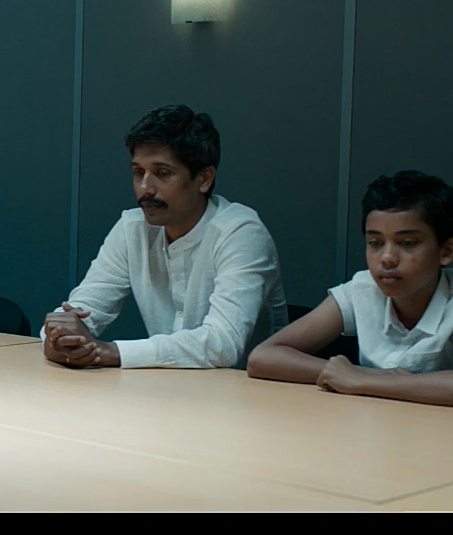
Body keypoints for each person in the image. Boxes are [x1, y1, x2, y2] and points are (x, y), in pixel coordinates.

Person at [42, 104, 288, 370]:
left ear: (204, 179)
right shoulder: (132, 227)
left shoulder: (241, 232)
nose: (145, 188)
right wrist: (60, 337)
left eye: (162, 173)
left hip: (247, 390)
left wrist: (110, 352)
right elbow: (81, 309)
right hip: (165, 385)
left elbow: (222, 343)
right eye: (138, 172)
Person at [246, 170, 453, 409]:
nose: (387, 258)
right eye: (375, 242)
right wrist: (352, 375)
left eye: (407, 243)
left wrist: (364, 380)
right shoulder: (362, 289)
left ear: (447, 251)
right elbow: (263, 357)